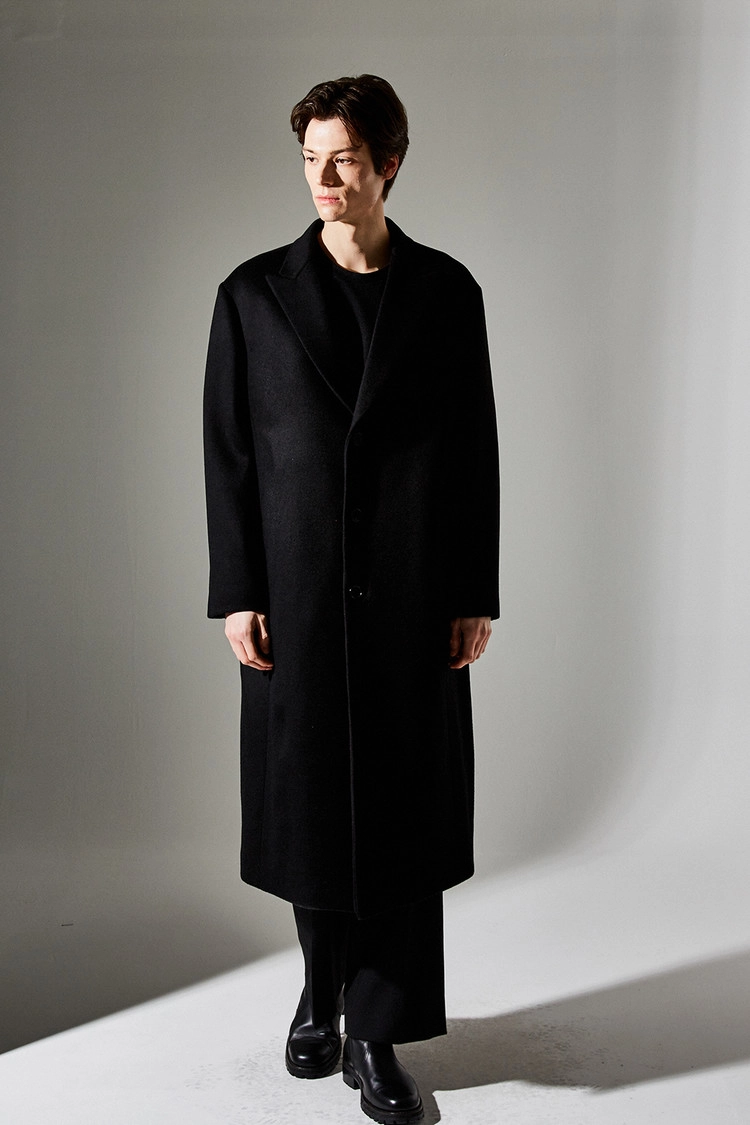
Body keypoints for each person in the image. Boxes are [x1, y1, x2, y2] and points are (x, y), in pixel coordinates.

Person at [203, 74, 499, 1125]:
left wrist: (473, 589)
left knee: (403, 814)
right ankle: (320, 987)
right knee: (312, 807)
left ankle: (376, 1035)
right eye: (310, 161)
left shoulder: (446, 292)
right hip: (295, 597)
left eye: (344, 160)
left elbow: (472, 451)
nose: (324, 179)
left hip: (414, 594)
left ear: (389, 165)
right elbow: (230, 456)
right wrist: (238, 590)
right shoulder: (252, 295)